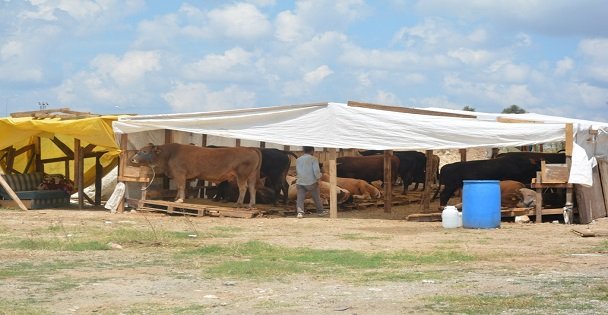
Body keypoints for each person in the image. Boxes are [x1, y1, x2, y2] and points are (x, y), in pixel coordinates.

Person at [295, 146, 327, 218]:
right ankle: (320, 211)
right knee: (316, 197)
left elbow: (297, 170)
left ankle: (300, 213)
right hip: (311, 182)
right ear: (312, 151)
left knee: (300, 198)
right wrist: (319, 179)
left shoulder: (298, 160)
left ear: (304, 151)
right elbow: (316, 171)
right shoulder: (314, 159)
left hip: (300, 181)